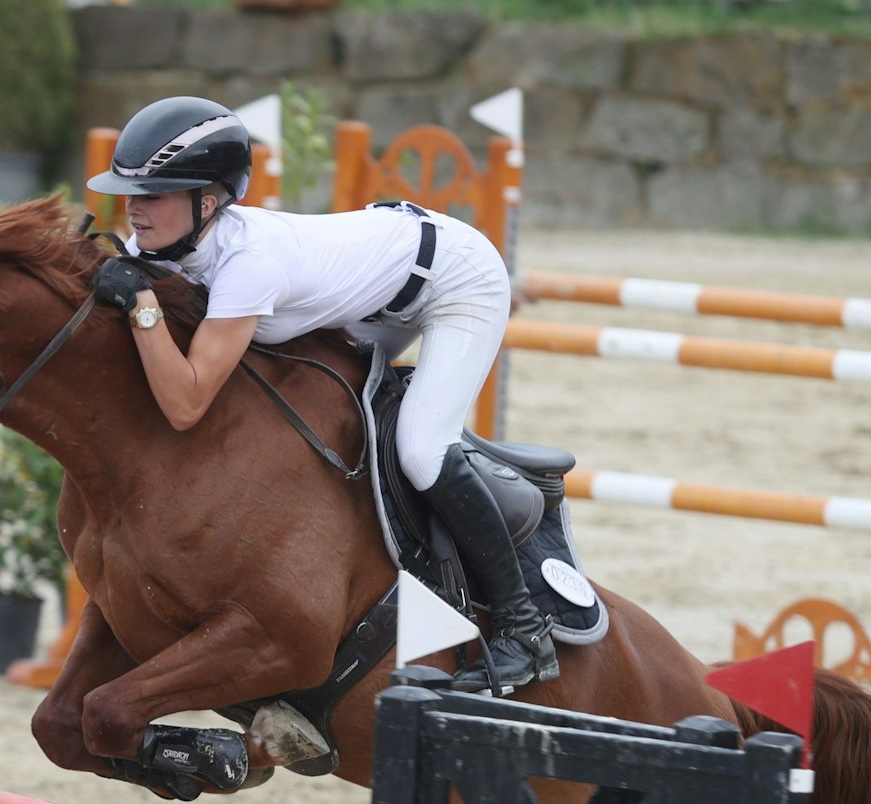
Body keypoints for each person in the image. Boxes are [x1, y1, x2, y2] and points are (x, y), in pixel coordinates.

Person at [85, 95, 557, 693]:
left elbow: (185, 404)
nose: (134, 210)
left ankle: (525, 629)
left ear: (206, 202)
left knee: (419, 448)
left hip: (454, 279)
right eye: (130, 194)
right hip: (375, 295)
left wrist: (143, 307)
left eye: (152, 195)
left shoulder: (248, 264)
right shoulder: (168, 241)